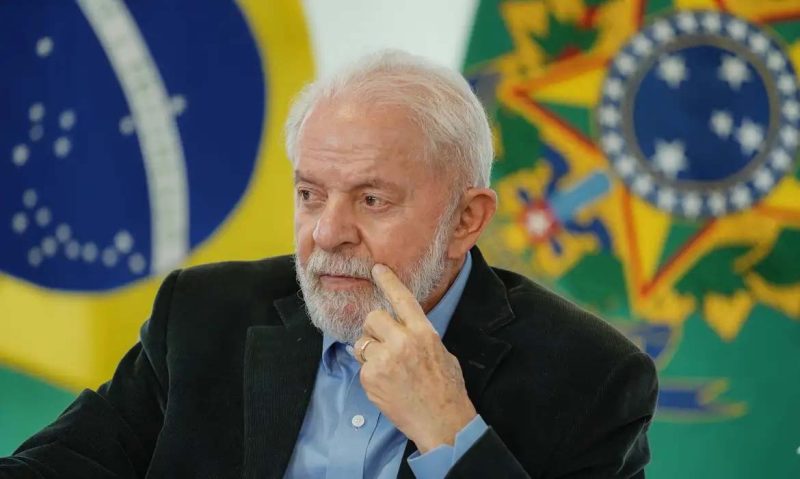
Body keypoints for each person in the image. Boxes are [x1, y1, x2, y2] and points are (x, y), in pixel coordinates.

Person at [0, 50, 657, 479]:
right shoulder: (203, 314)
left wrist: (450, 431)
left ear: (466, 219)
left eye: (372, 200)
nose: (327, 232)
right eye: (310, 194)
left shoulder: (593, 377)